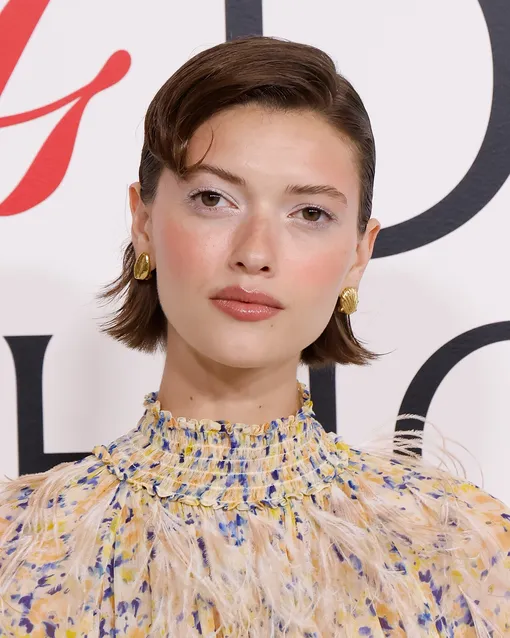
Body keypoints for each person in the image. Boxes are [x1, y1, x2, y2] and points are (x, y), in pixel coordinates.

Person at [0, 35, 509, 637]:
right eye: (214, 199)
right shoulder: (21, 548)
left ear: (358, 254)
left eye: (310, 213)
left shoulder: (458, 548)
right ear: (143, 221)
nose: (255, 253)